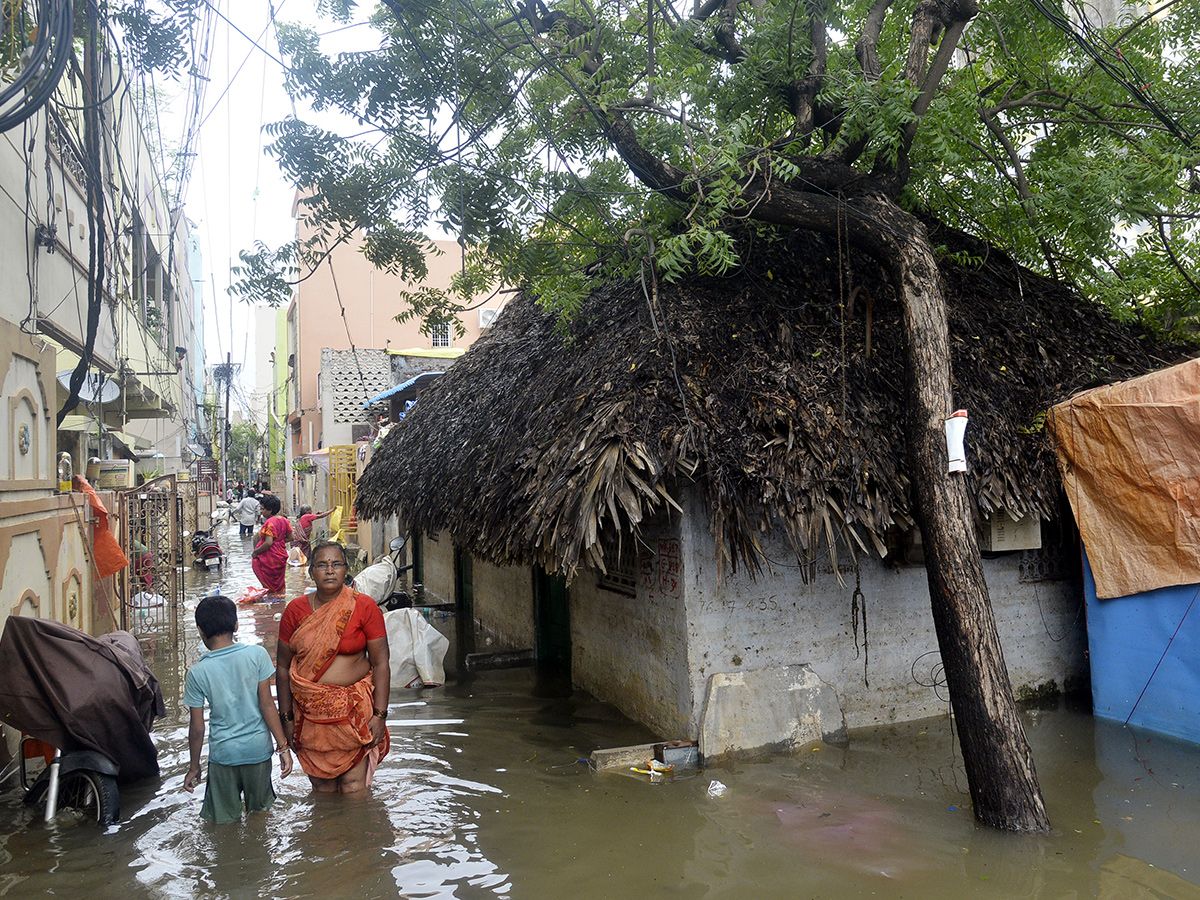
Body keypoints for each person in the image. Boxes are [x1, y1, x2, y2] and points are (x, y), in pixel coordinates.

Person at [276, 540, 390, 793]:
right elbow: (282, 668)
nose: (329, 571)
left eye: (336, 564)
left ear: (346, 570)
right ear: (311, 571)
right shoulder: (295, 611)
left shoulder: (364, 606)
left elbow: (381, 662)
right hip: (309, 718)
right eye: (322, 565)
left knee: (353, 787)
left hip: (354, 714)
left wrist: (380, 715)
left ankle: (356, 832)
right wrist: (286, 718)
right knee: (321, 789)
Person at [183, 595, 293, 824]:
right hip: (258, 752)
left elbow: (197, 727)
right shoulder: (257, 655)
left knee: (223, 823)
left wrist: (194, 766)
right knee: (261, 815)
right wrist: (283, 747)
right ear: (236, 625)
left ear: (201, 631)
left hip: (223, 756)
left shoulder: (197, 673)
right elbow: (267, 705)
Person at [250, 494, 292, 597]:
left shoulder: (270, 523)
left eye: (263, 509)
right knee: (279, 581)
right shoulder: (284, 520)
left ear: (270, 510)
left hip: (270, 556)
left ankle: (271, 597)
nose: (262, 512)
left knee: (266, 578)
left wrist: (255, 552)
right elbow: (291, 537)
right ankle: (279, 601)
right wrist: (279, 541)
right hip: (281, 554)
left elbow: (268, 542)